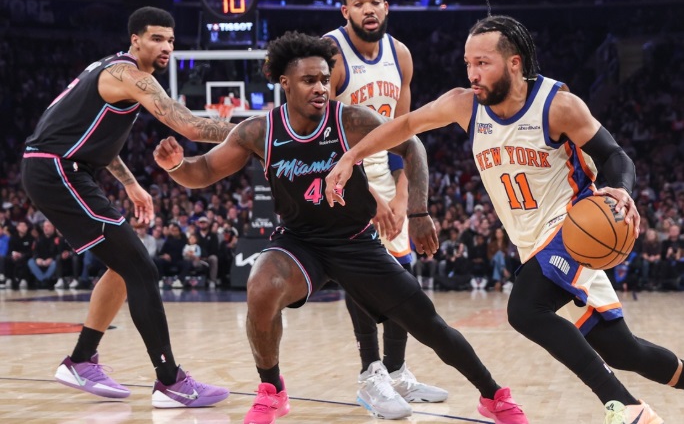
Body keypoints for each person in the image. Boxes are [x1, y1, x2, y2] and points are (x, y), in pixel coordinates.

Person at [324, 14, 684, 424]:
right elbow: (405, 125)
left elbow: (614, 155)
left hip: (575, 227)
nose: (472, 74)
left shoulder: (558, 105)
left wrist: (620, 188)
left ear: (514, 63)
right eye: (468, 63)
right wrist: (351, 156)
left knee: (525, 309)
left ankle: (626, 407)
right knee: (622, 350)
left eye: (483, 63)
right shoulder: (463, 104)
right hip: (531, 243)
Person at [153, 31, 527, 424]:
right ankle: (272, 391)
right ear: (285, 83)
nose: (320, 87)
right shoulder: (259, 131)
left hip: (355, 241)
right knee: (261, 286)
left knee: (428, 324)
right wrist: (176, 165)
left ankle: (493, 395)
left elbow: (411, 145)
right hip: (300, 243)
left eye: (324, 79)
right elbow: (205, 170)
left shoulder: (349, 119)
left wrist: (418, 212)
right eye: (308, 80)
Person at [20, 6, 230, 407]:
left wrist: (131, 183)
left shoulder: (115, 73)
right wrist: (259, 131)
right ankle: (170, 381)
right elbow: (188, 124)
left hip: (64, 168)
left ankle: (82, 359)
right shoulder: (127, 74)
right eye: (157, 38)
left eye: (170, 40)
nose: (166, 46)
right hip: (57, 170)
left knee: (122, 267)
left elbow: (94, 138)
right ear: (136, 40)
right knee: (141, 267)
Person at [323, 0, 447, 416]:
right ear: (345, 10)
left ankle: (396, 372)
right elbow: (324, 139)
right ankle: (369, 374)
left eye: (375, 0)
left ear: (386, 7)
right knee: (362, 276)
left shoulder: (401, 55)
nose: (368, 8)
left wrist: (400, 197)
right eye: (358, 2)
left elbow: (403, 134)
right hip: (338, 171)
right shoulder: (332, 54)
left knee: (401, 275)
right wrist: (369, 199)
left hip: (383, 173)